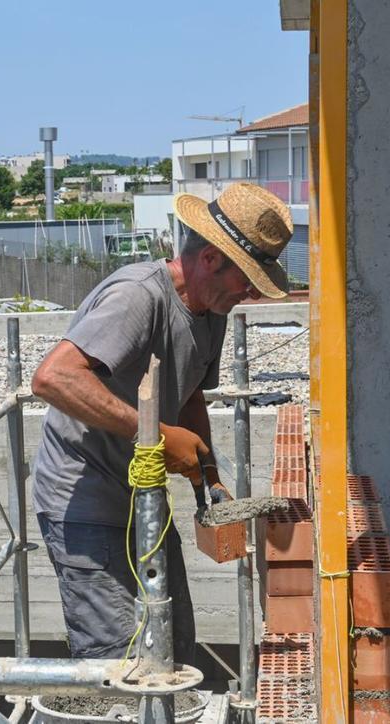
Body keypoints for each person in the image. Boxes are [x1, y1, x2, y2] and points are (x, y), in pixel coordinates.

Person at [30, 182, 295, 665]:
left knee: (171, 645)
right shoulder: (138, 297)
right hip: (85, 502)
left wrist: (209, 479)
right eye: (248, 277)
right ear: (211, 259)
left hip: (143, 500)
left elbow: (189, 394)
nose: (251, 291)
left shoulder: (210, 310)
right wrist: (150, 434)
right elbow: (52, 378)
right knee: (122, 662)